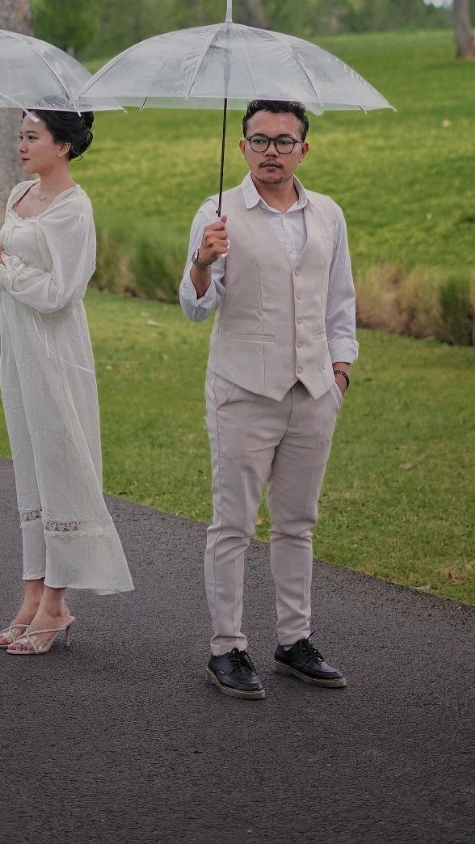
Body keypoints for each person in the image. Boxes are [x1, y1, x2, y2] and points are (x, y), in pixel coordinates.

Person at [180, 98, 357, 700]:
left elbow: (339, 299)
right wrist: (203, 262)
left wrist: (340, 371)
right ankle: (226, 647)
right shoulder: (217, 213)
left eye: (283, 141)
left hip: (314, 390)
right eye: (259, 141)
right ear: (242, 147)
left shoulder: (328, 213)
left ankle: (294, 639)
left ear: (303, 149)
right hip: (243, 390)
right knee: (233, 523)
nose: (271, 152)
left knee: (297, 523)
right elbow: (195, 307)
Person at [0, 107, 133, 656]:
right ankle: (32, 595)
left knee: (59, 463)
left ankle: (56, 604)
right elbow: (0, 270)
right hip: (19, 349)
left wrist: (0, 261)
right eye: (20, 136)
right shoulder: (18, 195)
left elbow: (60, 293)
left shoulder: (74, 209)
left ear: (63, 145)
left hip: (56, 352)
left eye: (32, 136)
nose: (22, 145)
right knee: (30, 466)